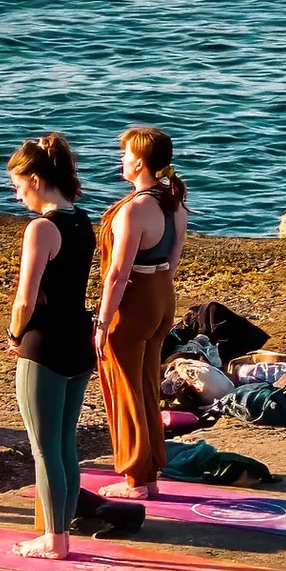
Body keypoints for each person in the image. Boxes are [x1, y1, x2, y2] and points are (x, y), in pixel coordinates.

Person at [3, 135, 99, 560]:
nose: (17, 192)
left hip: (44, 346)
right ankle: (62, 531)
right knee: (65, 444)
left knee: (44, 449)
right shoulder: (82, 221)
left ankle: (54, 539)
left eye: (18, 184)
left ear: (37, 179)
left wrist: (13, 336)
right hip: (79, 339)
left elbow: (26, 297)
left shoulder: (41, 228)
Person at [92, 127, 189, 503]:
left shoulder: (134, 209)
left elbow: (116, 274)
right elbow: (175, 257)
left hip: (135, 297)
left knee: (124, 385)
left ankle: (136, 476)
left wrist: (101, 323)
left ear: (141, 161)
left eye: (125, 154)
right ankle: (149, 468)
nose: (121, 159)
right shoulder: (174, 201)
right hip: (163, 292)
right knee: (147, 382)